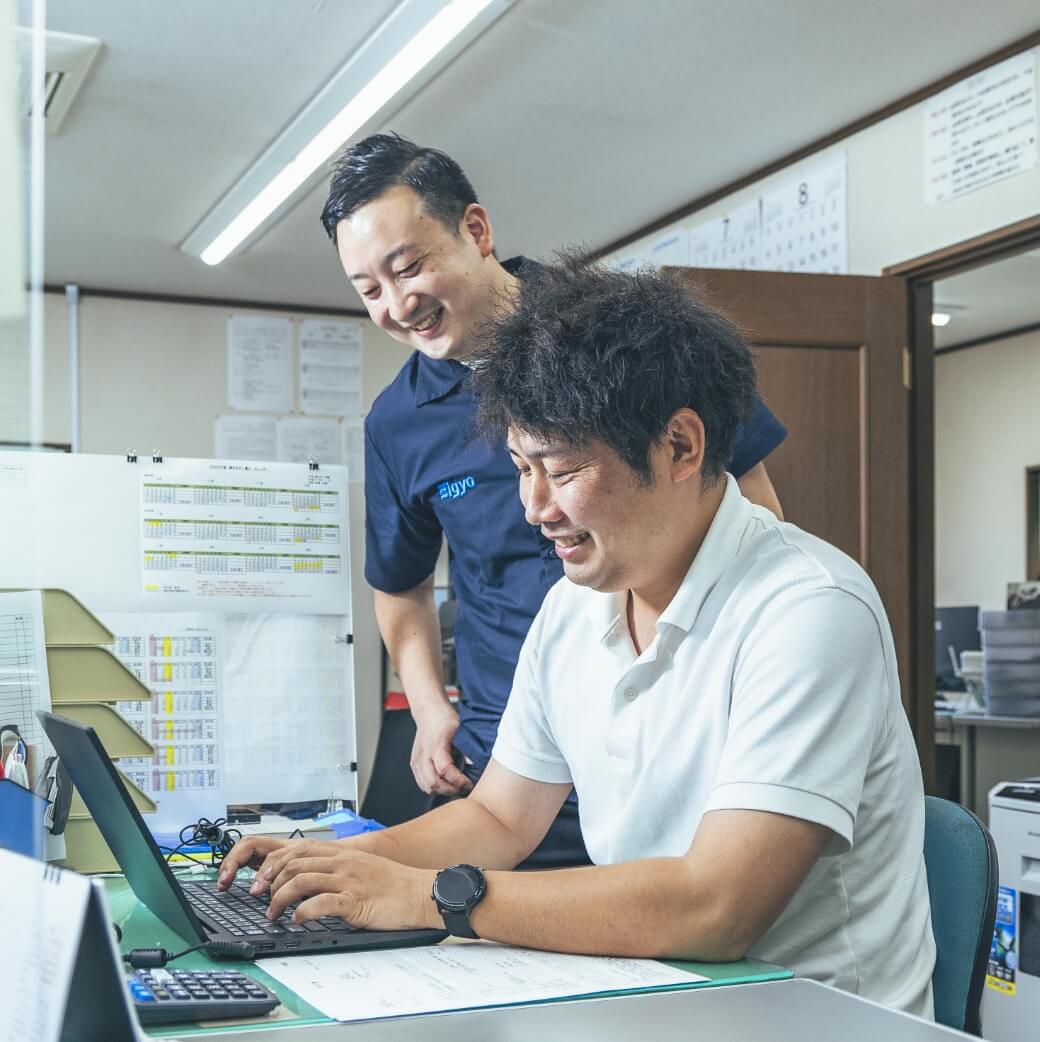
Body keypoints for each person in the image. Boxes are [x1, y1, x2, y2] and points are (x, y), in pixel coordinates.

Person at [220, 257, 935, 1017]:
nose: (534, 507)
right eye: (521, 468)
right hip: (653, 996)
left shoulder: (808, 610)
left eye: (561, 471)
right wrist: (334, 862)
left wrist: (427, 895)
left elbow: (717, 907)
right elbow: (499, 818)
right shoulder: (573, 609)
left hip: (808, 1019)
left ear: (680, 446)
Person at [315, 134, 787, 864]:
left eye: (407, 268)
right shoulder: (398, 422)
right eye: (369, 290)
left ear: (476, 230)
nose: (398, 305)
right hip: (512, 757)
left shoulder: (624, 336)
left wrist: (752, 662)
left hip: (668, 728)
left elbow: (752, 518)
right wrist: (431, 708)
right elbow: (399, 587)